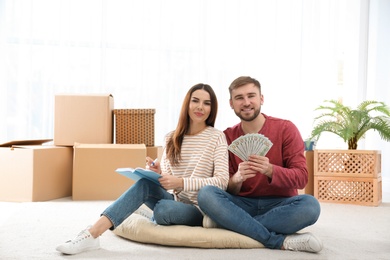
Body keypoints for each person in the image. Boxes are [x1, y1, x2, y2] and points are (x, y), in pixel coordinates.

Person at [56, 83, 229, 255]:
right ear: (187, 104)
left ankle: (143, 211)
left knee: (163, 211)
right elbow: (169, 184)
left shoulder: (216, 137)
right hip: (174, 199)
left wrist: (181, 182)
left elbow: (222, 182)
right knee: (145, 184)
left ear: (212, 108)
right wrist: (158, 173)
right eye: (195, 101)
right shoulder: (171, 138)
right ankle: (91, 234)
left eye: (207, 103)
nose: (200, 107)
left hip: (197, 208)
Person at [197, 76, 323, 253]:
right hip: (242, 203)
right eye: (239, 98)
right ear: (231, 103)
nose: (246, 102)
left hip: (281, 204)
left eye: (251, 96)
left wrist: (271, 170)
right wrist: (236, 179)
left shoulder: (286, 129)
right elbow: (228, 189)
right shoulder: (226, 136)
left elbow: (302, 179)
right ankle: (275, 240)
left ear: (261, 98)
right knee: (206, 193)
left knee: (310, 206)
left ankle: (234, 224)